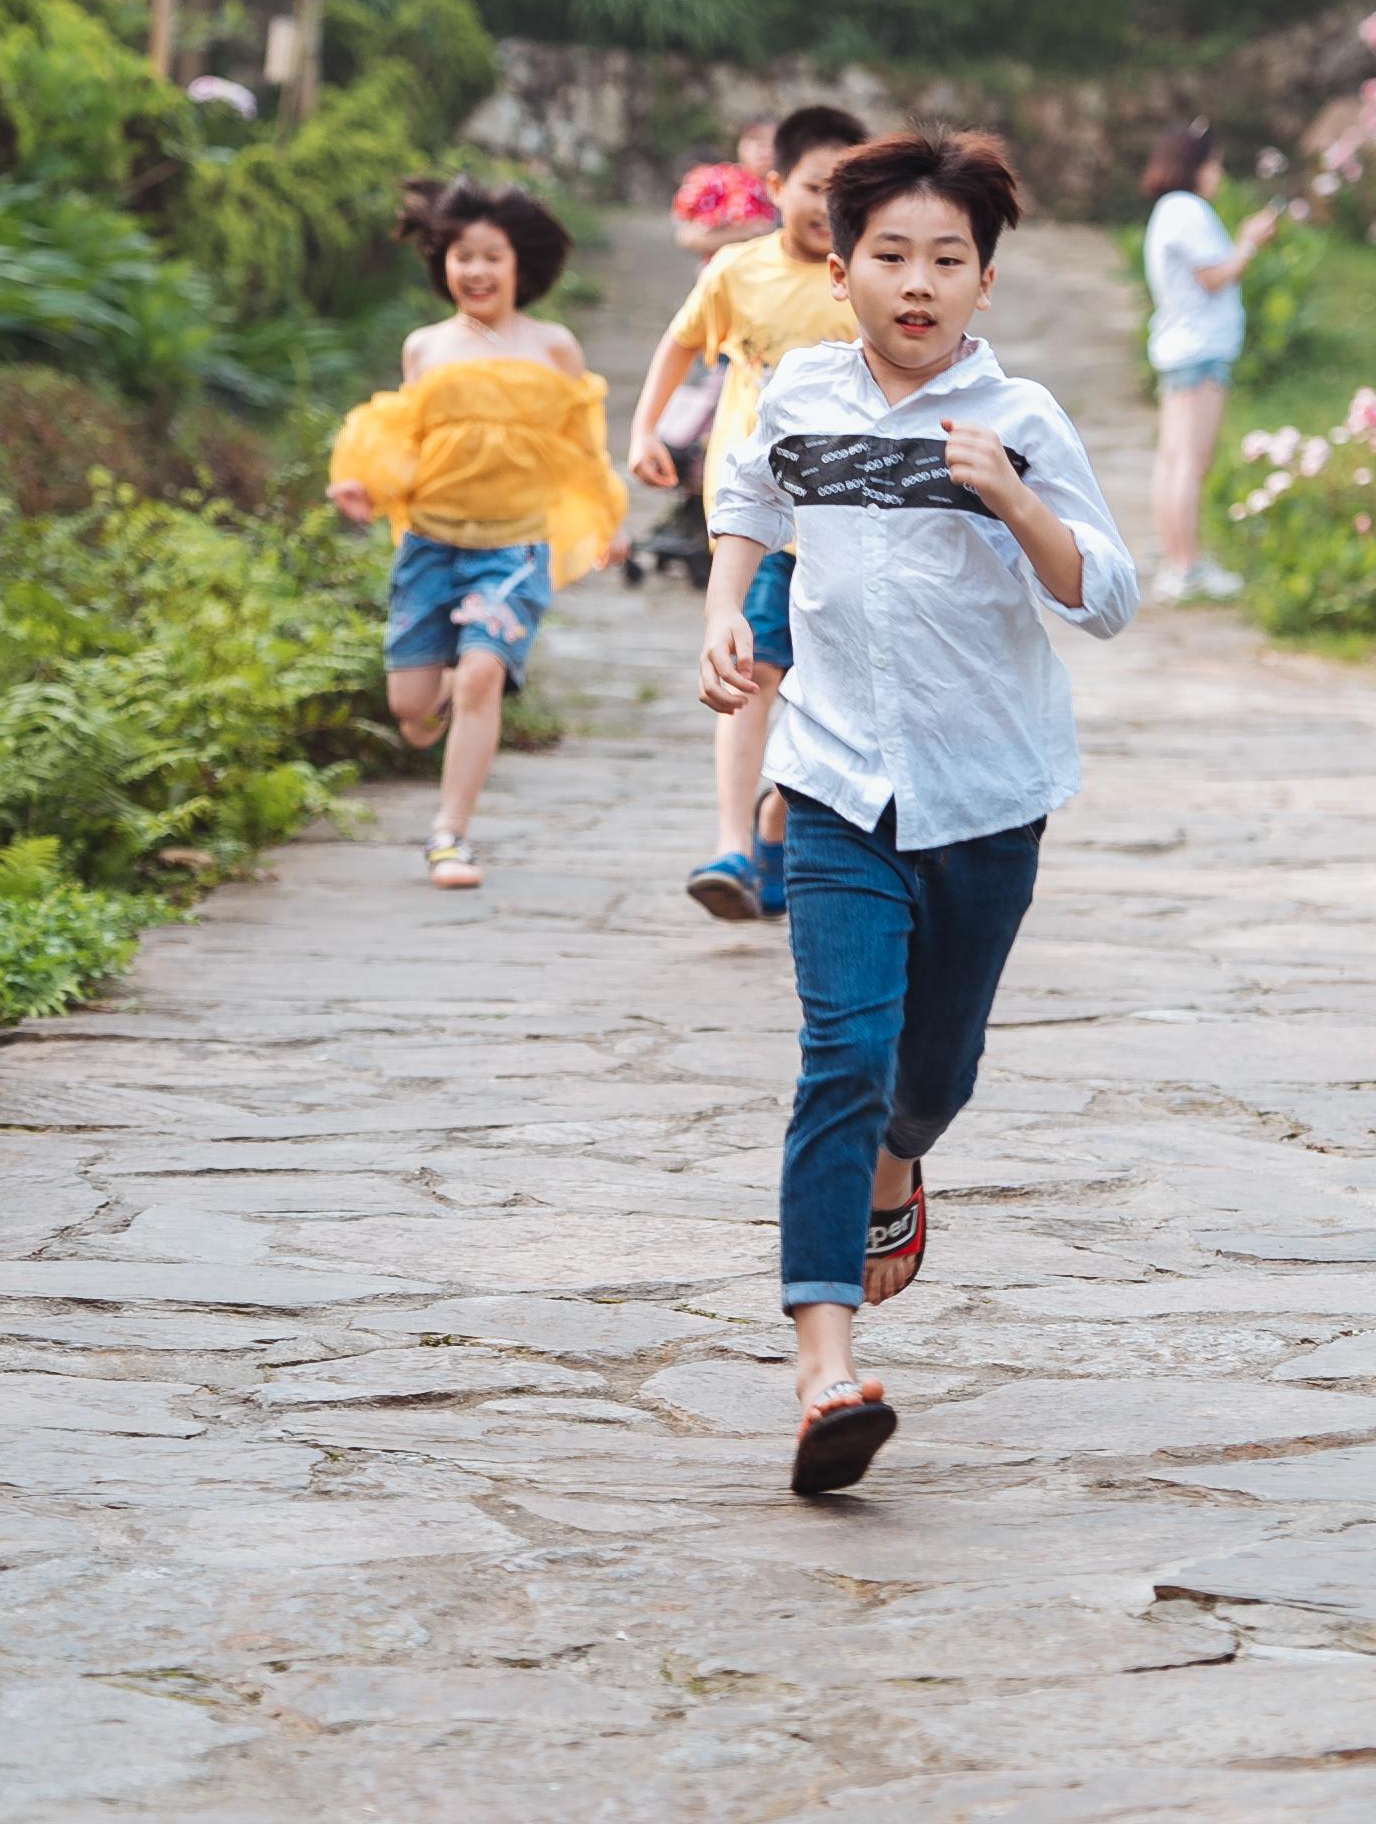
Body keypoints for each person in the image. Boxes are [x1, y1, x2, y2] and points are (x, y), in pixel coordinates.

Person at [700, 128, 1139, 1496]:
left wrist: (1014, 502)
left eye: (948, 259)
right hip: (832, 785)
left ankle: (903, 1167)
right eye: (890, 254)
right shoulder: (800, 398)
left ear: (985, 284)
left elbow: (1109, 596)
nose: (918, 281)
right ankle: (824, 1370)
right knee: (844, 1051)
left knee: (930, 1080)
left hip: (987, 800)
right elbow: (746, 498)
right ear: (841, 269)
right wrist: (725, 606)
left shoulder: (1023, 423)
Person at [329, 180, 629, 892]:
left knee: (483, 675)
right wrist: (364, 486)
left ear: (520, 263)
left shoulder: (554, 346)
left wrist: (602, 520)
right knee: (411, 708)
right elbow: (401, 439)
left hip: (515, 546)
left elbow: (580, 448)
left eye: (492, 256)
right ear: (444, 264)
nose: (477, 271)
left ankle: (449, 837)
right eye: (464, 256)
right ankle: (446, 696)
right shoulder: (425, 347)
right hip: (430, 541)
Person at [626, 103, 873, 922]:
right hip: (759, 517)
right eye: (812, 185)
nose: (824, 201)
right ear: (776, 186)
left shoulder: (871, 275)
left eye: (843, 187)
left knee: (834, 696)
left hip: (852, 521)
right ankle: (735, 845)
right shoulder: (736, 271)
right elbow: (681, 342)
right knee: (752, 673)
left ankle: (776, 819)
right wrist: (644, 426)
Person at [1138, 118, 1277, 604]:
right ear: (1194, 165)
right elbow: (1215, 276)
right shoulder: (1189, 210)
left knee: (1173, 457)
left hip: (1180, 348)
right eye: (1214, 163)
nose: (1218, 173)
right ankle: (1186, 566)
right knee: (1190, 461)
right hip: (1199, 351)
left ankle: (1177, 558)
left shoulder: (1167, 211)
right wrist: (1250, 242)